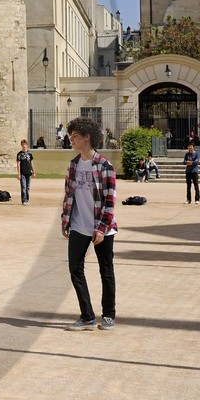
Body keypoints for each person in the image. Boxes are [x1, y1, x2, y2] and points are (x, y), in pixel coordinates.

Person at [59, 116, 118, 331]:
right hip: (78, 225)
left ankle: (109, 315)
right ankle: (87, 316)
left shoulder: (105, 166)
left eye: (75, 137)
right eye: (70, 137)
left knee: (106, 271)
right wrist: (65, 222)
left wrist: (102, 228)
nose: (71, 141)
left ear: (87, 137)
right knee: (75, 269)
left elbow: (110, 202)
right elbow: (68, 196)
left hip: (102, 227)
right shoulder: (73, 165)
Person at [15, 139, 35, 205]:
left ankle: (27, 200)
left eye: (25, 144)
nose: (24, 146)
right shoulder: (19, 154)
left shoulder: (30, 154)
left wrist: (34, 172)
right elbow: (18, 164)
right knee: (23, 187)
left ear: (27, 145)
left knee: (28, 188)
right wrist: (18, 174)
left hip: (29, 172)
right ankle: (24, 200)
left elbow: (32, 163)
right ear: (21, 145)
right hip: (22, 173)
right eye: (23, 144)